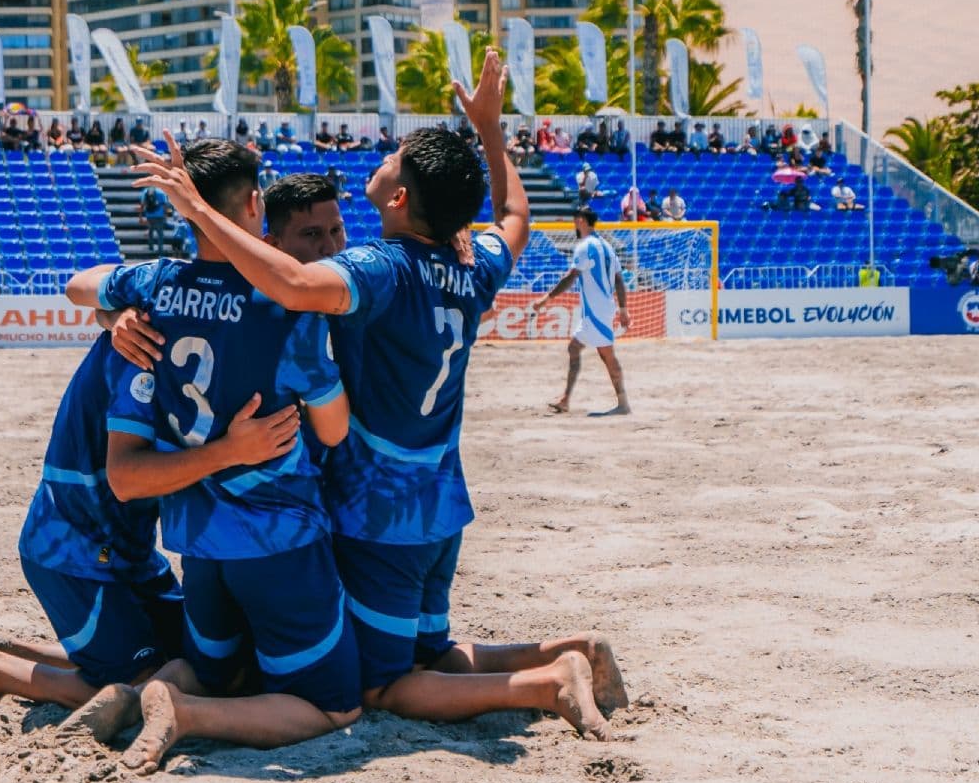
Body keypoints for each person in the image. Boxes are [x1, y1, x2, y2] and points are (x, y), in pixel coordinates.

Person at [130, 51, 624, 747]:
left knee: (380, 686)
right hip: (442, 503)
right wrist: (490, 127)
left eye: (394, 156)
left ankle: (548, 685)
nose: (384, 157)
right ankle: (571, 649)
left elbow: (296, 285)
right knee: (428, 652)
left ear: (398, 199)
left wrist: (199, 213)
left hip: (378, 514)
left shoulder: (383, 269)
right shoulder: (473, 263)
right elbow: (515, 210)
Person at [60, 139, 358, 774]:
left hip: (196, 543)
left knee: (220, 668)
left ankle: (136, 696)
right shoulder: (286, 307)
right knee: (334, 707)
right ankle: (182, 713)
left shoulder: (156, 285)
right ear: (255, 204)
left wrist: (114, 316)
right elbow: (332, 432)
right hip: (277, 537)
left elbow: (76, 284)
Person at [532, 209, 631, 416]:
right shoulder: (606, 246)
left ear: (582, 221)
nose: (574, 224)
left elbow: (571, 277)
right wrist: (623, 309)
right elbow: (619, 280)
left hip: (596, 311)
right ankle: (566, 399)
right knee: (574, 348)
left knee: (607, 356)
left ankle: (623, 404)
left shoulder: (585, 247)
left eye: (575, 220)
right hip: (600, 309)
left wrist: (546, 298)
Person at [139, 185, 168, 256]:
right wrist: (165, 215)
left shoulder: (146, 191)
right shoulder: (161, 192)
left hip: (149, 215)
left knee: (150, 231)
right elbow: (165, 205)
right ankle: (160, 251)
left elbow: (142, 204)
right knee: (160, 233)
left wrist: (140, 216)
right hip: (159, 215)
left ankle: (151, 247)